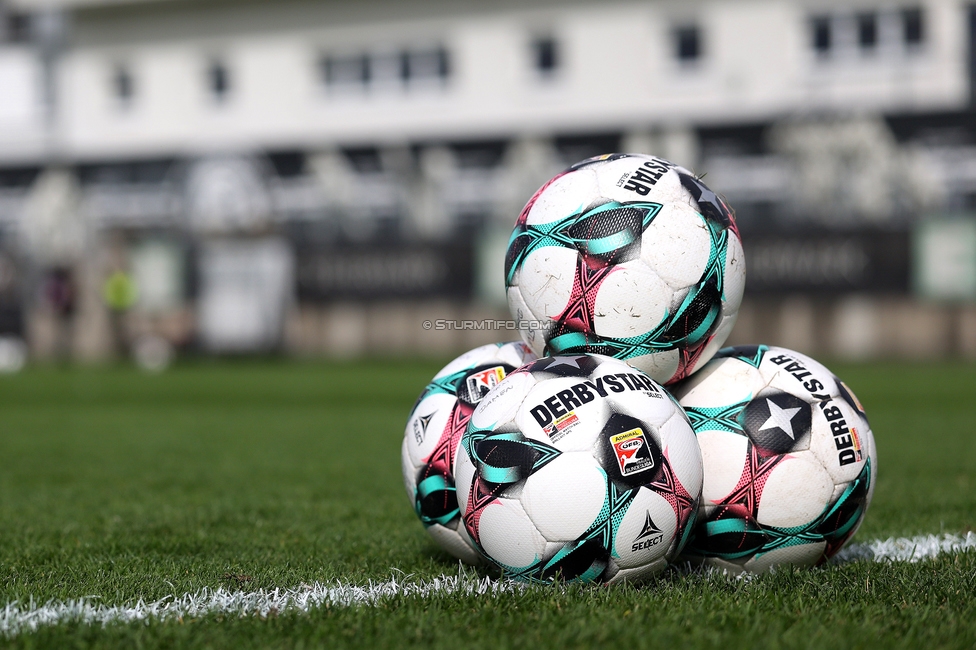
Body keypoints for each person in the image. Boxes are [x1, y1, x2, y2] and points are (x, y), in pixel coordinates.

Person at [102, 267, 138, 359]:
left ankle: (125, 350)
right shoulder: (115, 279)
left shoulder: (124, 278)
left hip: (124, 307)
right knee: (115, 330)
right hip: (115, 307)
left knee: (125, 329)